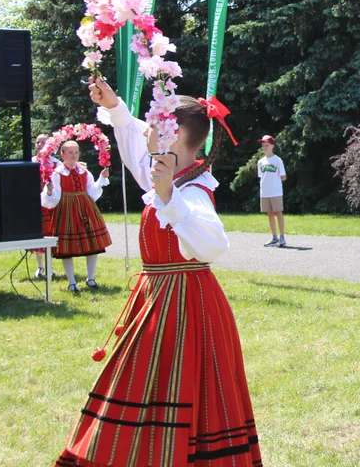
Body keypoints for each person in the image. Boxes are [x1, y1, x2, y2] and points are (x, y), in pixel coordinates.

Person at [63, 77, 263, 467]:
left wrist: (171, 198)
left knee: (185, 388)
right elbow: (137, 144)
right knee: (145, 383)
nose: (148, 130)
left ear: (173, 137)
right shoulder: (167, 179)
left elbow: (213, 246)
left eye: (155, 125)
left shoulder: (191, 191)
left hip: (187, 306)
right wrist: (117, 108)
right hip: (158, 301)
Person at [41, 140, 111, 293]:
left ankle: (91, 278)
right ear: (62, 154)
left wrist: (101, 178)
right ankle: (72, 282)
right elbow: (54, 198)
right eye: (70, 152)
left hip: (86, 208)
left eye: (76, 152)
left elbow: (92, 191)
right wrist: (49, 192)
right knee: (67, 248)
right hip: (66, 209)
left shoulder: (84, 171)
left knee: (93, 245)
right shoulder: (57, 173)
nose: (74, 156)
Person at [32, 133, 60, 279]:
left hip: (50, 204)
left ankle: (50, 267)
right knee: (38, 236)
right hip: (35, 204)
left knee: (50, 235)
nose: (40, 145)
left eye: (44, 143)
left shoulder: (56, 164)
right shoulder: (31, 162)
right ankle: (40, 267)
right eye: (38, 142)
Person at [257, 135, 288, 248]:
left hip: (276, 192)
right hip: (265, 192)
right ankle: (274, 237)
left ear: (272, 146)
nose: (265, 147)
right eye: (263, 145)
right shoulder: (260, 162)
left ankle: (282, 237)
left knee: (278, 213)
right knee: (269, 214)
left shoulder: (277, 160)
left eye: (267, 145)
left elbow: (283, 177)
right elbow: (261, 176)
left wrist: (274, 182)